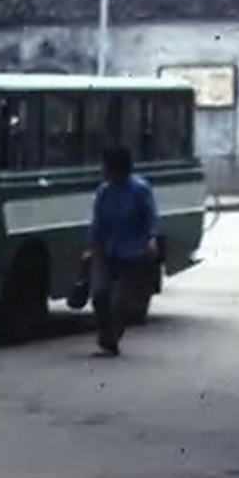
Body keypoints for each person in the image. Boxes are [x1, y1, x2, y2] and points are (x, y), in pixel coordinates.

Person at [83, 145, 160, 356]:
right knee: (99, 293)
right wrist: (91, 247)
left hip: (133, 251)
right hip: (107, 249)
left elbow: (150, 215)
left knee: (121, 300)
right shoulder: (104, 192)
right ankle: (104, 330)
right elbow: (97, 223)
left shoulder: (139, 189)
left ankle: (110, 339)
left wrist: (152, 238)